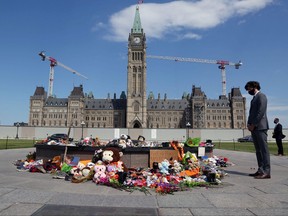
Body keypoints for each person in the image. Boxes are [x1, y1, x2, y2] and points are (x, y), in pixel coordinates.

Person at [245, 81, 271, 179]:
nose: (248, 91)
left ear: (254, 87)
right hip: (254, 128)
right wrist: (249, 124)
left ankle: (267, 172)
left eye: (248, 89)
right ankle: (261, 170)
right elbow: (251, 113)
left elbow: (261, 111)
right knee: (258, 151)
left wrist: (254, 124)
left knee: (264, 151)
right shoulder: (254, 98)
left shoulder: (261, 96)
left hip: (260, 127)